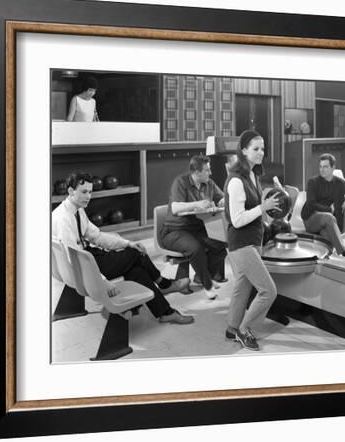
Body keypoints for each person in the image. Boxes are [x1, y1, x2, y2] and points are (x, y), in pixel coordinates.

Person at [52, 172, 194, 325]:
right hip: (86, 268)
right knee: (136, 254)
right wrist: (102, 282)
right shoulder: (63, 219)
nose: (88, 196)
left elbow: (97, 237)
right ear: (71, 191)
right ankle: (164, 284)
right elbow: (73, 259)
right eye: (84, 192)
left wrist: (127, 243)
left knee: (136, 271)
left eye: (90, 192)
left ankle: (165, 312)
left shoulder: (76, 210)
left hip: (89, 259)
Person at [223, 130, 284, 351]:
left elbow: (257, 209)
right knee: (269, 290)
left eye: (263, 148)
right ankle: (244, 329)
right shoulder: (236, 181)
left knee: (242, 286)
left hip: (253, 240)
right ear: (244, 150)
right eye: (256, 149)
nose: (261, 153)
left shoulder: (253, 175)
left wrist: (271, 204)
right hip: (241, 243)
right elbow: (237, 220)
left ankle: (231, 329)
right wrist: (262, 207)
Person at [161, 155, 228, 300]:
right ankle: (207, 284)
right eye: (207, 170)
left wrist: (222, 202)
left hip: (195, 229)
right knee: (196, 248)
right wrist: (197, 204)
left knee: (221, 245)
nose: (210, 173)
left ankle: (201, 276)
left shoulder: (208, 183)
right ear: (196, 172)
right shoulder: (180, 182)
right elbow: (175, 208)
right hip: (174, 230)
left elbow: (221, 197)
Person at [301, 153, 345, 258]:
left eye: (325, 167)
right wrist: (329, 209)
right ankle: (344, 252)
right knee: (328, 217)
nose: (322, 169)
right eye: (320, 166)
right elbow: (311, 204)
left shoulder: (340, 183)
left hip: (328, 223)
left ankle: (328, 260)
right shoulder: (313, 182)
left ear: (333, 168)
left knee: (327, 235)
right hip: (311, 219)